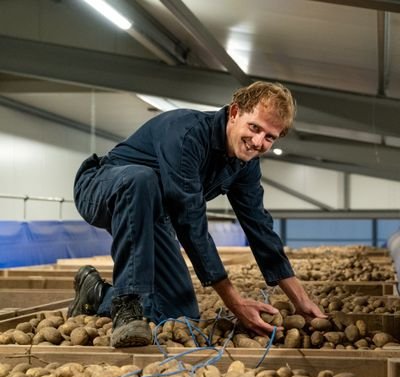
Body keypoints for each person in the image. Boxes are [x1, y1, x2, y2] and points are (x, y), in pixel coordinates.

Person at [69, 81, 325, 348]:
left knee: (180, 314)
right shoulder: (187, 133)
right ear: (235, 113)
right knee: (140, 179)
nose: (259, 141)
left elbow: (259, 227)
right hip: (101, 188)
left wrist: (300, 299)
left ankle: (98, 295)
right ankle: (127, 304)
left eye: (269, 137)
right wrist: (234, 302)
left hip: (152, 214)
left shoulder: (245, 165)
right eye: (255, 127)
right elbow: (190, 221)